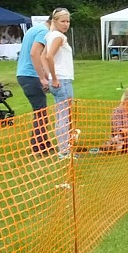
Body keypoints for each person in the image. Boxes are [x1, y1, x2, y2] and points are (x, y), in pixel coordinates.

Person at [15, 13, 54, 153]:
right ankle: (39, 146)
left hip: (24, 74)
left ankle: (43, 143)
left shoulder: (35, 29)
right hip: (30, 75)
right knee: (40, 111)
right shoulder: (44, 32)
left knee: (40, 111)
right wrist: (42, 77)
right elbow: (34, 53)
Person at [45, 9, 75, 157]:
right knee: (63, 117)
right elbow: (49, 56)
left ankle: (66, 148)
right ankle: (64, 150)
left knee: (62, 116)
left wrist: (48, 76)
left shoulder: (50, 35)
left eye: (68, 21)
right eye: (63, 21)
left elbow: (45, 56)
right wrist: (54, 78)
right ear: (55, 21)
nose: (66, 24)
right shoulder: (58, 37)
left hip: (60, 79)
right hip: (62, 80)